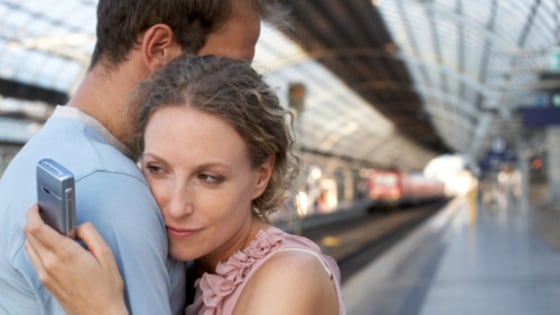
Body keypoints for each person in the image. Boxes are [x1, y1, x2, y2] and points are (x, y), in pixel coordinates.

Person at [0, 0, 285, 314]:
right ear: (160, 47)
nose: (245, 88)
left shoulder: (43, 155)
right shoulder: (110, 186)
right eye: (233, 67)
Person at [25, 54, 346, 315]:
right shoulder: (183, 267)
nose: (177, 206)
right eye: (157, 168)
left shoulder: (291, 276)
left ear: (261, 175)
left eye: (209, 178)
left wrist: (99, 309)